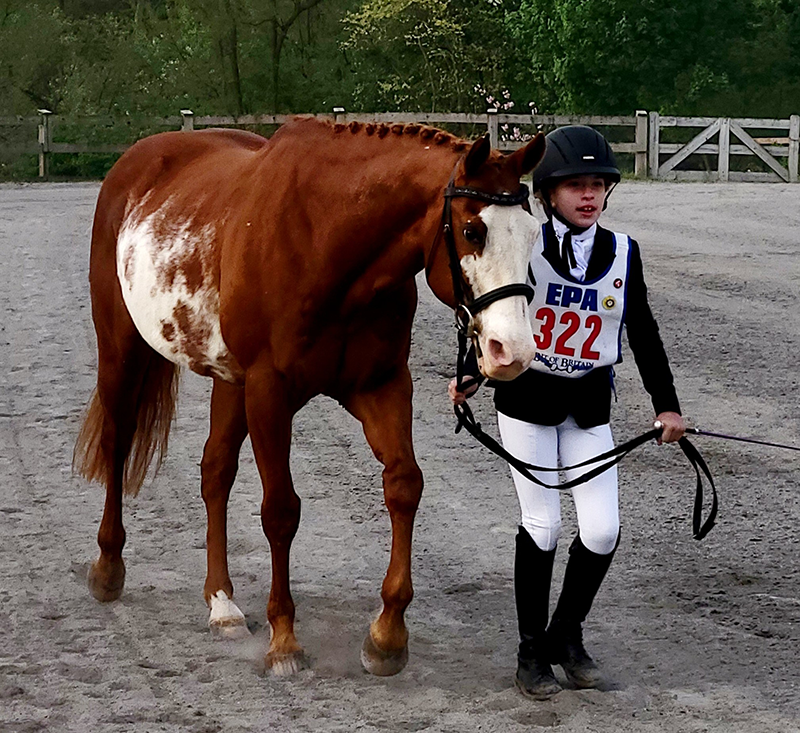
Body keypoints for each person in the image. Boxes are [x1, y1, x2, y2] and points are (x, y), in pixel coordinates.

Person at [448, 125, 685, 699]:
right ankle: (531, 654)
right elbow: (487, 302)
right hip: (527, 403)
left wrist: (667, 405)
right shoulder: (523, 241)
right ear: (549, 193)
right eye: (575, 186)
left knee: (602, 531)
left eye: (597, 186)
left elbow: (644, 332)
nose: (588, 196)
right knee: (544, 524)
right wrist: (473, 372)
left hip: (587, 405)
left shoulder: (625, 252)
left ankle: (565, 636)